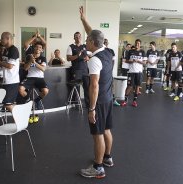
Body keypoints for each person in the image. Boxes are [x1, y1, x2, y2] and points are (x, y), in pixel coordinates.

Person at [79, 6, 114, 179]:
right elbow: (94, 34)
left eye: (87, 40)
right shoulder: (108, 52)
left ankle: (98, 167)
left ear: (92, 43)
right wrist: (83, 19)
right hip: (108, 99)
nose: (85, 42)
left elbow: (94, 86)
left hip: (98, 102)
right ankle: (107, 157)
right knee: (106, 130)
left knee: (97, 134)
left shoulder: (94, 60)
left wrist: (91, 109)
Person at [0, 32, 20, 112]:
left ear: (8, 39)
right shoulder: (6, 50)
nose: (1, 40)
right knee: (8, 104)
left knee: (8, 105)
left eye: (2, 38)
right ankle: (18, 119)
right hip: (6, 81)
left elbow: (10, 66)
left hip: (12, 81)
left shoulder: (14, 50)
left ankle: (21, 117)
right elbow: (4, 64)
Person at [19, 42, 49, 123]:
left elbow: (43, 69)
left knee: (45, 91)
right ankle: (29, 101)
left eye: (40, 47)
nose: (38, 48)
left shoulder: (43, 58)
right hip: (30, 78)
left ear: (42, 50)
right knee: (21, 89)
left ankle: (36, 101)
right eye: (36, 47)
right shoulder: (29, 57)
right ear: (34, 48)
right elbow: (25, 68)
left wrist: (35, 62)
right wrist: (30, 61)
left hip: (39, 78)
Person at [66, 31, 89, 107]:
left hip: (85, 70)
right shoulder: (71, 46)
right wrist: (77, 55)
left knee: (87, 87)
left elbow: (91, 55)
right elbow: (68, 58)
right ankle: (77, 104)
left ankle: (88, 103)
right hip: (76, 70)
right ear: (74, 38)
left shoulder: (85, 46)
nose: (78, 38)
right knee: (77, 87)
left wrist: (88, 58)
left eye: (79, 36)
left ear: (81, 37)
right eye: (76, 36)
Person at [121, 39, 146, 107]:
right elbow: (126, 60)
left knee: (137, 86)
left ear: (140, 44)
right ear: (135, 44)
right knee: (129, 86)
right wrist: (131, 61)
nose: (137, 44)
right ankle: (125, 101)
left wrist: (137, 61)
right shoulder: (130, 51)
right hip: (131, 72)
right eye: (136, 43)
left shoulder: (143, 52)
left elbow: (144, 63)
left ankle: (134, 101)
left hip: (139, 72)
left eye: (138, 43)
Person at [104, 38, 120, 106]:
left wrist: (110, 69)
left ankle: (113, 100)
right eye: (104, 42)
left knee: (111, 85)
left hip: (109, 71)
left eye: (106, 42)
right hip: (101, 72)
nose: (105, 43)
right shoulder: (99, 51)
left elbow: (113, 61)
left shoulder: (111, 51)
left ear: (108, 43)